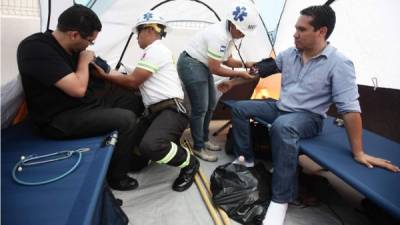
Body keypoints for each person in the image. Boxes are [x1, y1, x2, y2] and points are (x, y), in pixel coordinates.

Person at [218, 4, 400, 225]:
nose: (295, 34)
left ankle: (282, 199)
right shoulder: (289, 54)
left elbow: (350, 109)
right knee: (240, 107)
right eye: (295, 28)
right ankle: (246, 160)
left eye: (302, 29)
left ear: (321, 31)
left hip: (309, 118)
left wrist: (358, 151)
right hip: (281, 107)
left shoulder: (339, 64)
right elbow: (262, 70)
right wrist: (232, 81)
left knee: (282, 127)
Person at [17, 5, 145, 191]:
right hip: (58, 118)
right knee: (126, 120)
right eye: (90, 41)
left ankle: (122, 149)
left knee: (132, 100)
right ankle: (117, 177)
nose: (89, 46)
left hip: (85, 104)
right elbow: (77, 89)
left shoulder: (74, 47)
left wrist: (133, 81)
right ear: (74, 35)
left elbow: (106, 69)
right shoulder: (36, 49)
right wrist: (84, 62)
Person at [92, 11, 200, 192]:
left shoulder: (156, 50)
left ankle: (190, 163)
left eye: (138, 32)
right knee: (134, 160)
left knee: (151, 146)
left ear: (149, 29)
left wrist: (104, 75)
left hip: (173, 110)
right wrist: (107, 70)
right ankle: (166, 146)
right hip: (156, 112)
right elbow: (134, 82)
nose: (136, 38)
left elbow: (133, 82)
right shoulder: (151, 54)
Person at [176, 0, 258, 162]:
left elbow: (227, 60)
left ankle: (204, 140)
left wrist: (245, 64)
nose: (243, 36)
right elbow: (215, 68)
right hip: (191, 63)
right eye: (242, 32)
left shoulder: (230, 34)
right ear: (233, 25)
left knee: (211, 104)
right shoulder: (219, 35)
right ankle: (198, 146)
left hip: (202, 65)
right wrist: (241, 74)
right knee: (200, 108)